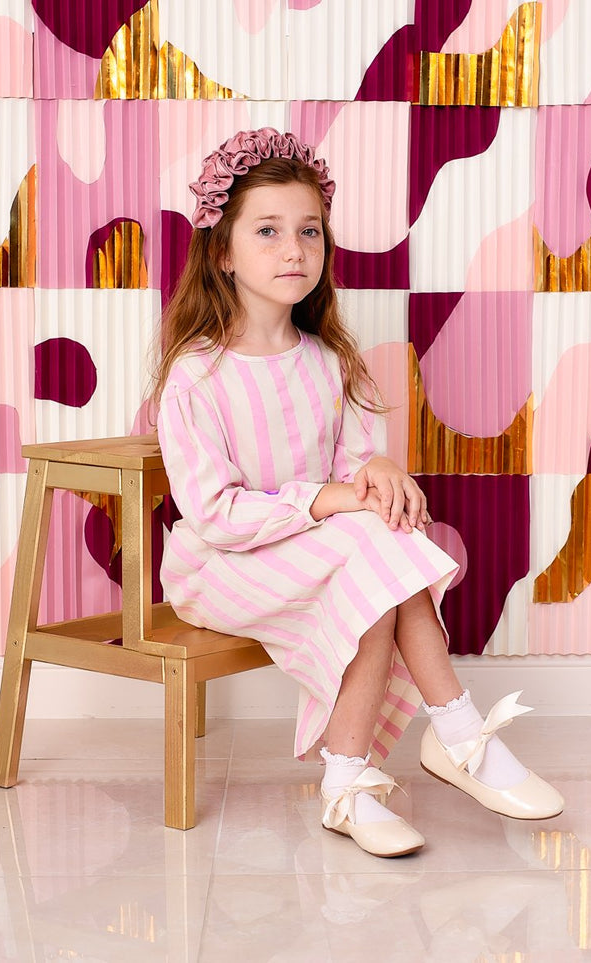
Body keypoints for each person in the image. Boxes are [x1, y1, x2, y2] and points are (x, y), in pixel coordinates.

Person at [151, 128, 563, 858]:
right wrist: (332, 499)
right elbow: (212, 514)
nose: (293, 250)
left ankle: (351, 783)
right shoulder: (196, 375)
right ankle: (455, 734)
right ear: (223, 253)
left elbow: (357, 468)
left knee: (375, 555)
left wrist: (380, 472)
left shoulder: (331, 360)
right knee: (371, 552)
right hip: (219, 565)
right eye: (268, 231)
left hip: (318, 549)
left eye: (308, 230)